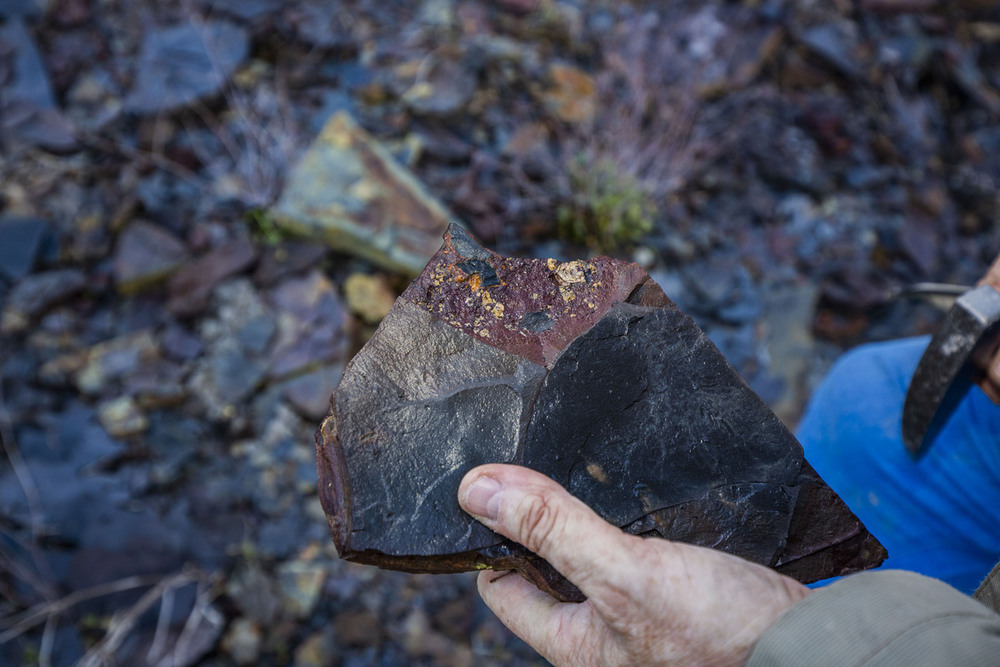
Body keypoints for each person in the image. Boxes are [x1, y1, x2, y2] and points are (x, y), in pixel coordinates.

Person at [455, 258, 1000, 665]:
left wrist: (774, 644)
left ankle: (799, 578)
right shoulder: (883, 380)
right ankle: (781, 559)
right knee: (860, 404)